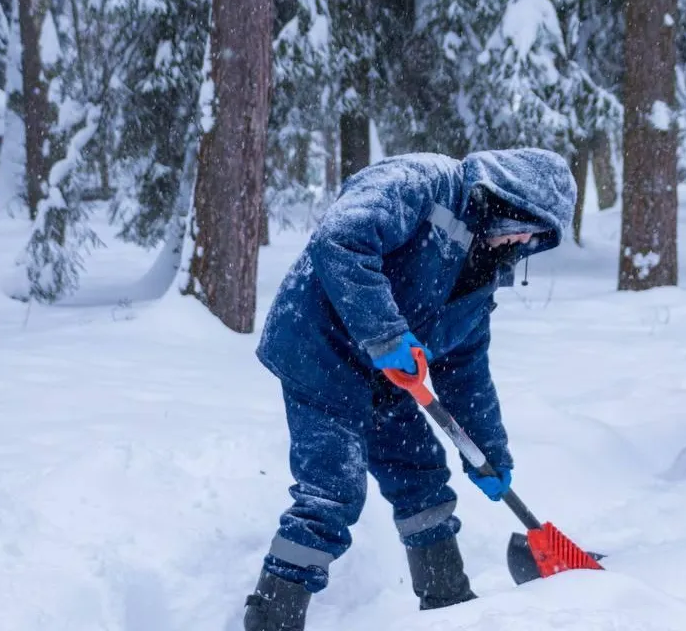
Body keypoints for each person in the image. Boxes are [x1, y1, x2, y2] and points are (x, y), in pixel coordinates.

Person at [242, 148, 577, 631]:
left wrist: (488, 454)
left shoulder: (483, 273)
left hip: (387, 376)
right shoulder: (425, 182)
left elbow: (465, 370)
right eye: (531, 224)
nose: (527, 240)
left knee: (421, 479)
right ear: (509, 196)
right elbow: (339, 239)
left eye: (539, 238)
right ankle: (272, 616)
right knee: (332, 493)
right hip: (319, 353)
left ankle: (451, 607)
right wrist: (387, 334)